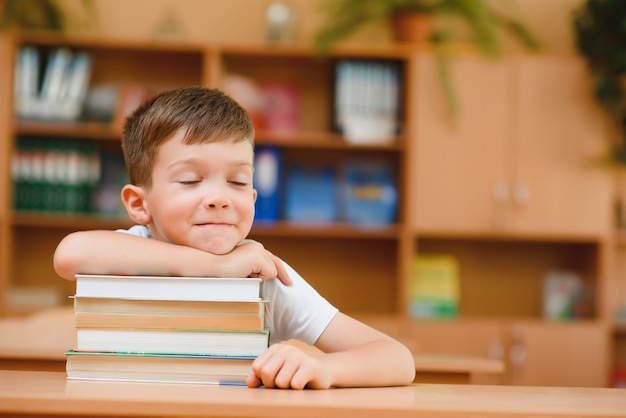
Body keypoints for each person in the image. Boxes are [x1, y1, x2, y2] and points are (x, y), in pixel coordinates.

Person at [53, 86, 416, 390]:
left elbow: (396, 358)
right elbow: (69, 254)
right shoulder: (130, 249)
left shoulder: (263, 275)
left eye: (238, 181)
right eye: (191, 180)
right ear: (139, 203)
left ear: (253, 198)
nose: (220, 197)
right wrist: (215, 267)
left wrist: (325, 368)